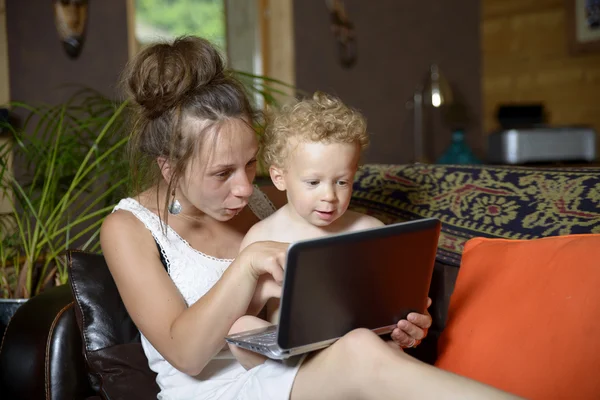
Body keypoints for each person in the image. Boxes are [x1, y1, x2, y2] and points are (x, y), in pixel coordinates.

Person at [100, 35, 519, 400]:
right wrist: (247, 265)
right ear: (169, 168)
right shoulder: (130, 228)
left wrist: (397, 321)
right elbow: (187, 355)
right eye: (222, 174)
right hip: (217, 391)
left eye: (249, 164)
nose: (246, 188)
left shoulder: (272, 204)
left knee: (365, 348)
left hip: (302, 372)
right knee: (359, 355)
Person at [229, 92, 422, 365]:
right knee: (241, 327)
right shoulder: (262, 237)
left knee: (389, 350)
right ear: (279, 177)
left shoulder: (370, 231)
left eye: (342, 182)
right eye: (313, 182)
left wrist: (406, 328)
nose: (329, 196)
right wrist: (267, 289)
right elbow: (242, 310)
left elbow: (394, 307)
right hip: (295, 361)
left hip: (357, 352)